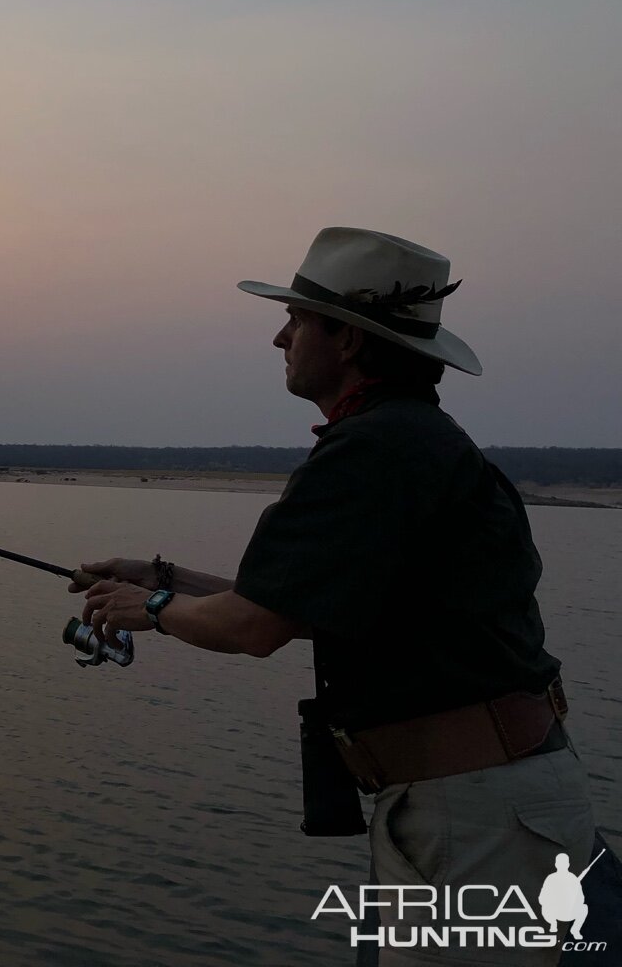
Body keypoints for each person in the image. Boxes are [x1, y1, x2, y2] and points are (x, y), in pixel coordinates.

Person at [70, 227, 595, 966]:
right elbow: (305, 608)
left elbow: (254, 628)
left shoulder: (373, 453)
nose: (279, 338)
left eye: (297, 320)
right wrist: (167, 579)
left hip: (473, 813)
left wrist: (147, 611)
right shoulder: (412, 443)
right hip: (480, 801)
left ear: (346, 339)